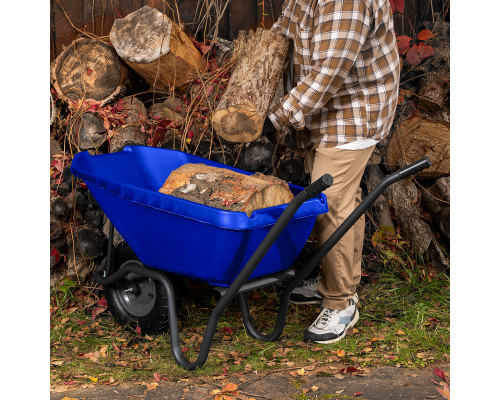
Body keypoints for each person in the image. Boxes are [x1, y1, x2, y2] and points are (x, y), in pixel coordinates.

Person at [263, 0, 400, 344]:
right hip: (331, 108)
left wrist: (276, 118)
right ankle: (337, 281)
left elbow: (331, 71)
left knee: (331, 205)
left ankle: (340, 304)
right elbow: (286, 27)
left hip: (354, 109)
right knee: (345, 201)